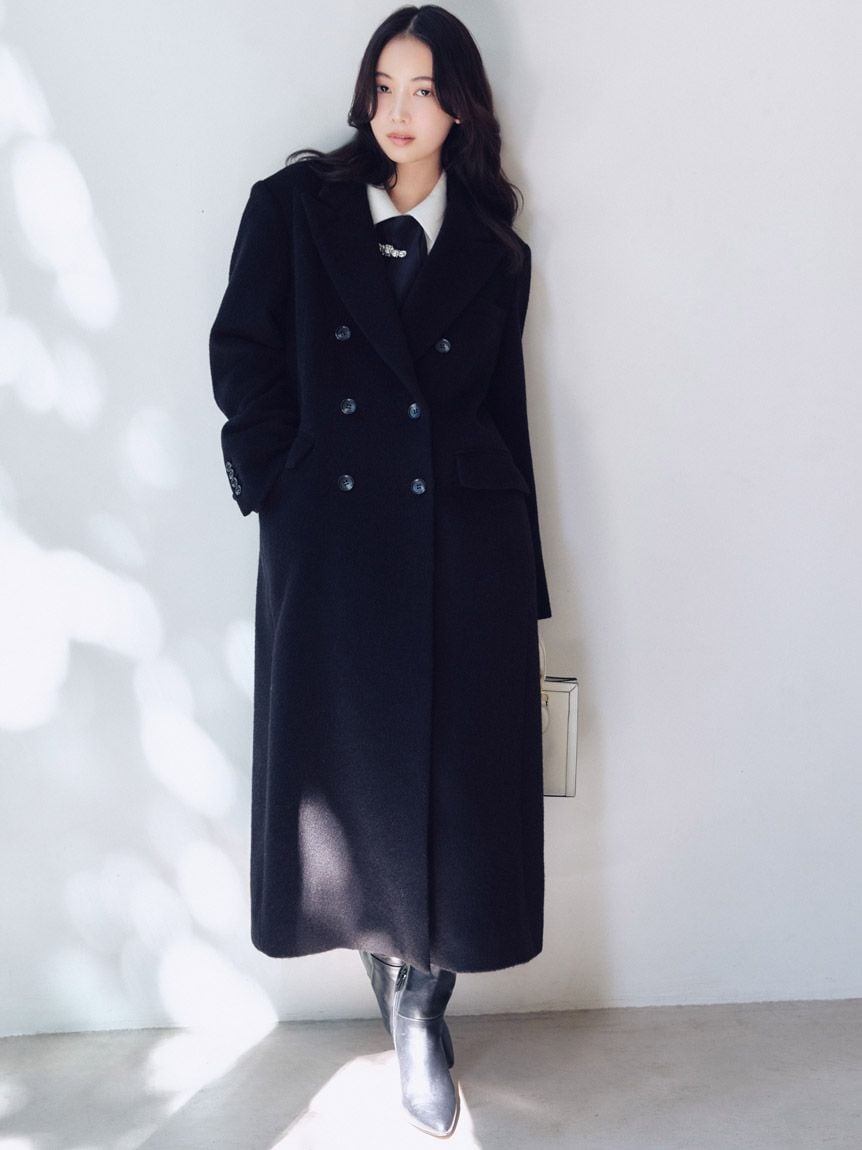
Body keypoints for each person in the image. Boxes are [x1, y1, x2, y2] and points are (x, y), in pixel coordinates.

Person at [209, 4, 552, 1137]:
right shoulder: (295, 207)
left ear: (461, 108)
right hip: (336, 537)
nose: (399, 112)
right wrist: (280, 483)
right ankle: (394, 979)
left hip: (464, 541)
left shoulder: (494, 248)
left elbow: (504, 413)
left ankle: (421, 1005)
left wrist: (523, 574)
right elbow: (242, 352)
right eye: (385, 87)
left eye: (424, 90)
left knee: (458, 785)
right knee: (345, 779)